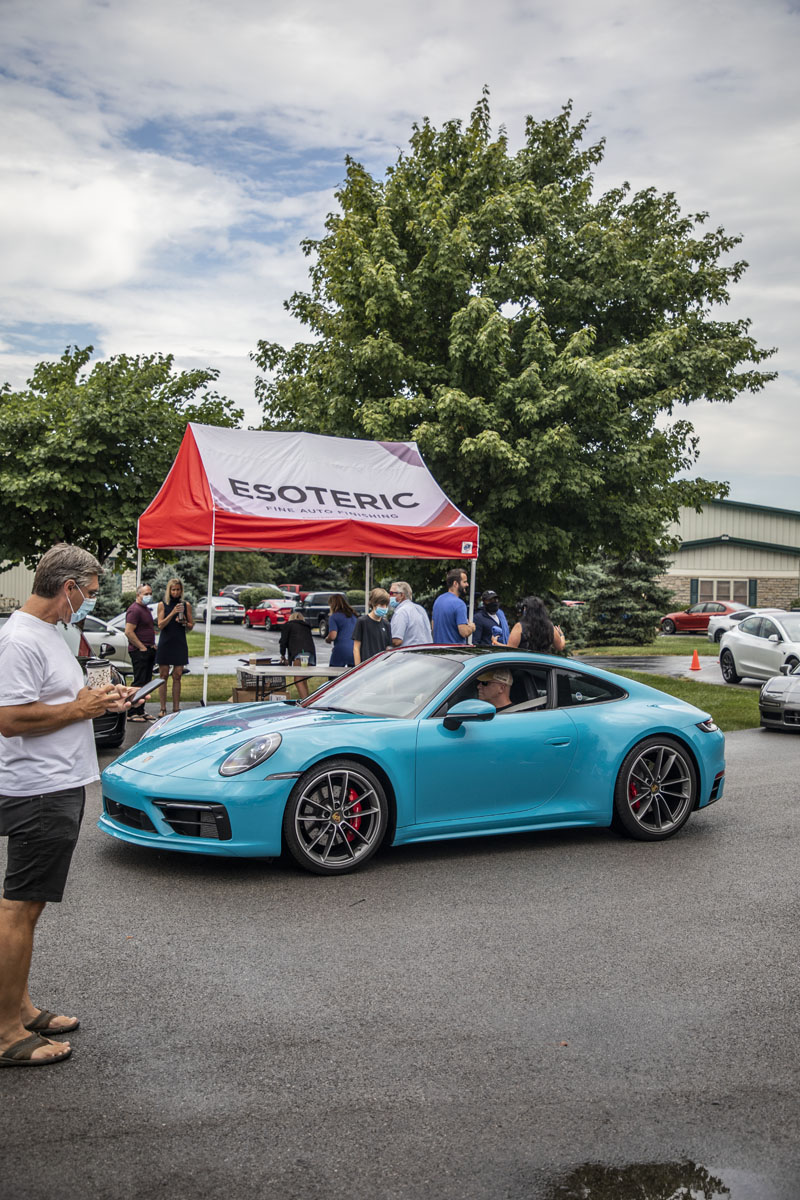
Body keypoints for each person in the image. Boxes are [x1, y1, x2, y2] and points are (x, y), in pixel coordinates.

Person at [0, 543, 133, 1067]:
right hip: (37, 788)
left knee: (29, 907)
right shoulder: (19, 640)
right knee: (19, 906)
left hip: (56, 784)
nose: (90, 603)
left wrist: (99, 702)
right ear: (67, 588)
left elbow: (60, 703)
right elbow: (9, 719)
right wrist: (80, 707)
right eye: (90, 593)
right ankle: (8, 1033)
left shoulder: (50, 634)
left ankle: (20, 1007)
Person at [156, 578, 194, 717]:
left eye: (178, 590)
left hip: (179, 642)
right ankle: (162, 708)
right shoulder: (162, 605)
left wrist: (184, 621)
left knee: (177, 675)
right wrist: (172, 613)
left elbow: (191, 625)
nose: (176, 592)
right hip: (166, 642)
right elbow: (160, 625)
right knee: (163, 675)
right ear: (169, 590)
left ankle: (176, 708)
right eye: (173, 590)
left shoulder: (185, 605)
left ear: (181, 591)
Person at [124, 582, 156, 721]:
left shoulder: (146, 609)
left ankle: (141, 709)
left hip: (149, 649)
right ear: (138, 595)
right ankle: (132, 712)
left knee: (146, 682)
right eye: (145, 594)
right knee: (139, 681)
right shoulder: (134, 610)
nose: (148, 596)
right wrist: (141, 647)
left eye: (150, 593)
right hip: (139, 651)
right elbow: (129, 632)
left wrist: (151, 645)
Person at [432, 568, 475, 644]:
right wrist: (471, 627)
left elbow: (433, 625)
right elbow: (464, 632)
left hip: (438, 650)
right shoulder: (459, 604)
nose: (467, 584)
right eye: (464, 582)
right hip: (454, 652)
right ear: (455, 583)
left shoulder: (438, 600)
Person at [279, 611, 317, 700]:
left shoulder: (288, 625)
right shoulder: (306, 626)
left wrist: (282, 655)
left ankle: (305, 702)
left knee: (298, 679)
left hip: (301, 653)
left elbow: (283, 642)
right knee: (303, 679)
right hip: (310, 653)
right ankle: (308, 699)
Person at [353, 588, 392, 665]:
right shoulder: (362, 621)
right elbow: (356, 648)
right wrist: (358, 669)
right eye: (381, 605)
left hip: (381, 666)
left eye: (386, 605)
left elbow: (388, 648)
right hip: (366, 666)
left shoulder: (386, 624)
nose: (384, 607)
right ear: (374, 604)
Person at [388, 581, 433, 648]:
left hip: (409, 655)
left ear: (402, 595)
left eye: (392, 593)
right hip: (426, 653)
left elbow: (397, 641)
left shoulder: (401, 612)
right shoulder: (420, 609)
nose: (389, 596)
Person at [325, 594, 357, 668]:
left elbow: (333, 636)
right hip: (355, 650)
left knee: (333, 675)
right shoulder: (354, 615)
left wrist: (327, 639)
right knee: (352, 675)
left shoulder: (334, 616)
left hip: (341, 649)